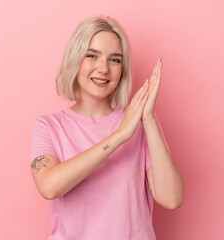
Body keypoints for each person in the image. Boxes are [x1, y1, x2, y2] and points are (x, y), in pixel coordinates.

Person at [30, 16, 184, 240]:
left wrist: (148, 119)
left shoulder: (142, 122)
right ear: (75, 59)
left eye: (115, 60)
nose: (103, 68)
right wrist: (120, 136)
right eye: (92, 56)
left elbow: (172, 198)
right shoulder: (49, 126)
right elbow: (49, 186)